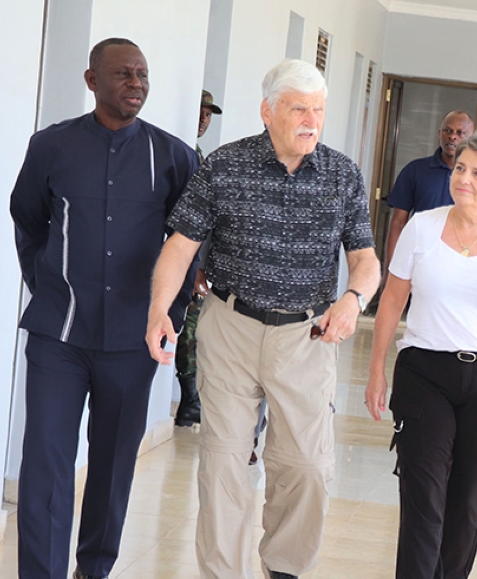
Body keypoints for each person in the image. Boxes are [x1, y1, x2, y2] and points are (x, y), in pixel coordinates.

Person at [145, 59, 381, 579]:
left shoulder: (342, 174)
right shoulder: (226, 165)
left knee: (307, 466)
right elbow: (181, 245)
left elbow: (365, 258)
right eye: (299, 108)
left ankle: (284, 568)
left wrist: (354, 299)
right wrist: (160, 309)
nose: (311, 120)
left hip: (307, 333)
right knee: (224, 462)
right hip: (231, 326)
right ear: (267, 111)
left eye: (318, 109)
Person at [9, 38, 198, 579]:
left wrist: (171, 315)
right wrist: (47, 285)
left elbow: (189, 243)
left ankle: (95, 570)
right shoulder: (51, 146)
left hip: (132, 343)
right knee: (45, 464)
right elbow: (28, 218)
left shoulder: (174, 155)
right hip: (58, 337)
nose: (135, 83)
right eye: (122, 74)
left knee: (113, 468)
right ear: (92, 81)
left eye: (141, 74)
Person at [365, 134, 477, 578]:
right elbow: (391, 300)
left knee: (468, 500)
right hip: (425, 372)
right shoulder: (421, 228)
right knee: (423, 495)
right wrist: (376, 371)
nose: (463, 178)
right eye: (459, 168)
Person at [384, 111, 477, 269]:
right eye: (448, 130)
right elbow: (398, 223)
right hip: (420, 264)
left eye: (460, 133)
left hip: (467, 266)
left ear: (471, 138)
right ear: (439, 133)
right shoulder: (415, 171)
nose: (453, 137)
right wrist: (390, 269)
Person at [173, 89, 223, 427]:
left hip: (194, 258)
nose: (204, 118)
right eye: (201, 111)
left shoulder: (199, 154)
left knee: (193, 326)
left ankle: (192, 399)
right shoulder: (179, 153)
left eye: (209, 113)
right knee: (188, 327)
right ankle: (190, 399)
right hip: (179, 255)